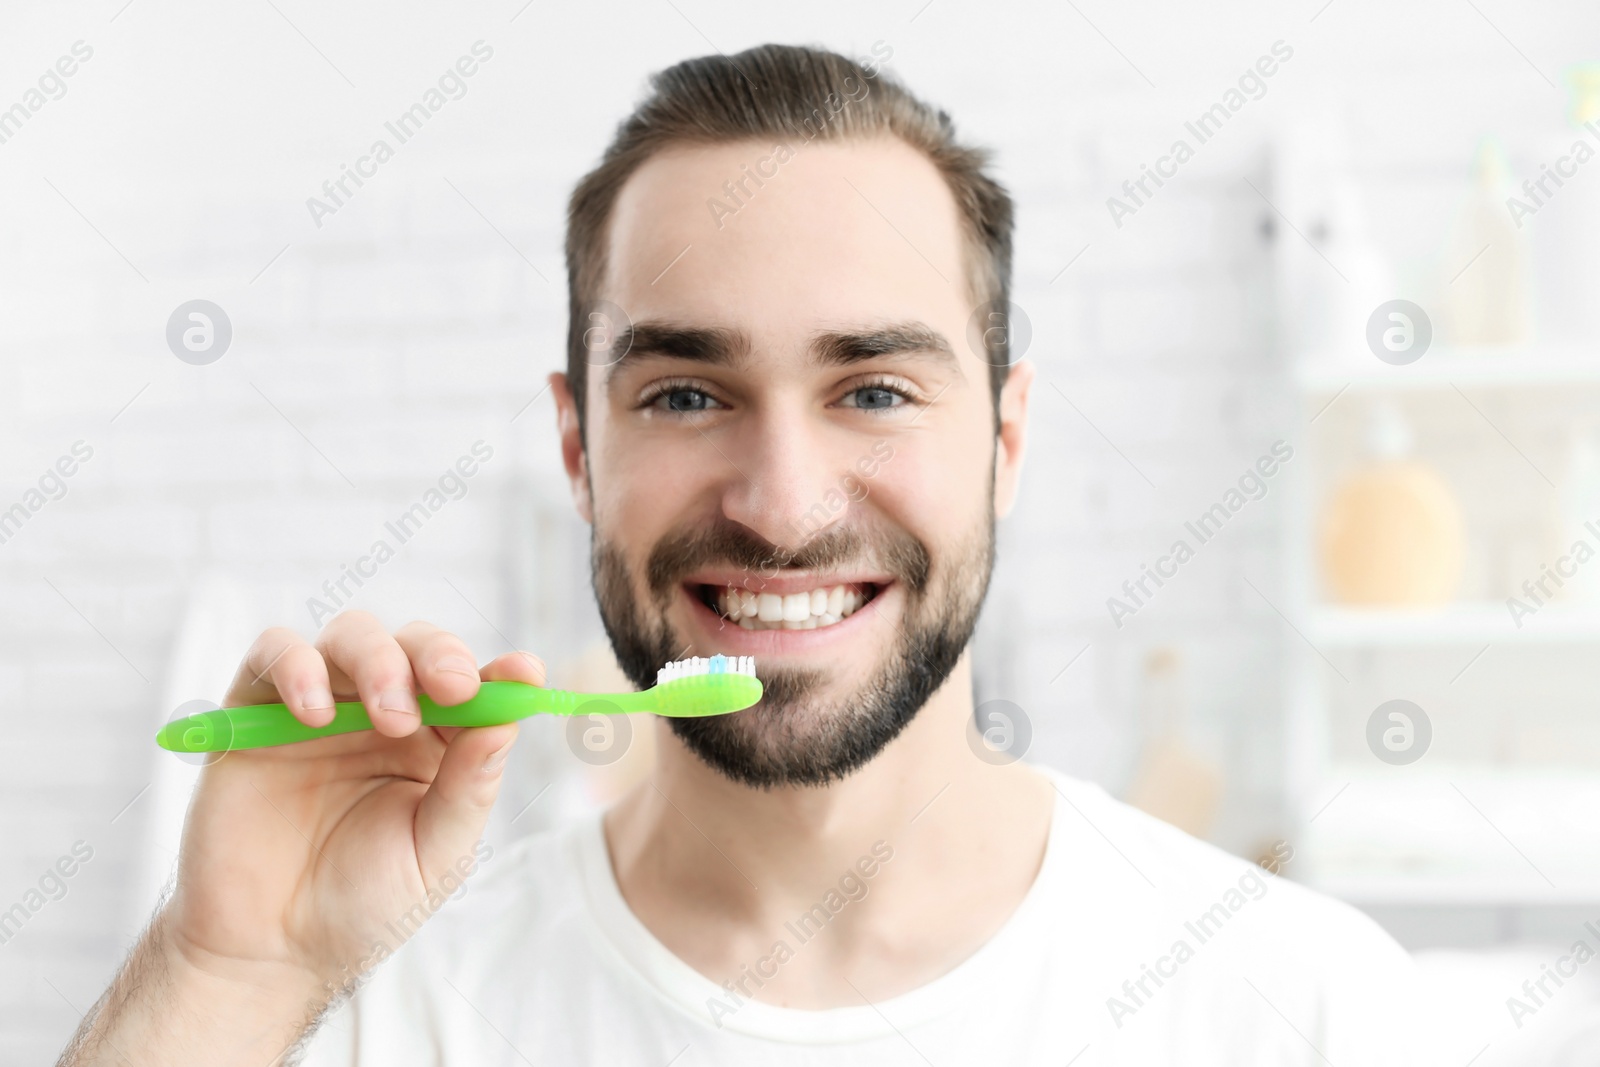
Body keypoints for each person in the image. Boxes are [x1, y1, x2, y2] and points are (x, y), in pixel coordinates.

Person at [61, 43, 1432, 1066]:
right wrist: (222, 975)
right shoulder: (379, 1014)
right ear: (578, 445)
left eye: (876, 390)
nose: (781, 506)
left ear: (1007, 441)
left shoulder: (1300, 1009)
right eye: (685, 394)